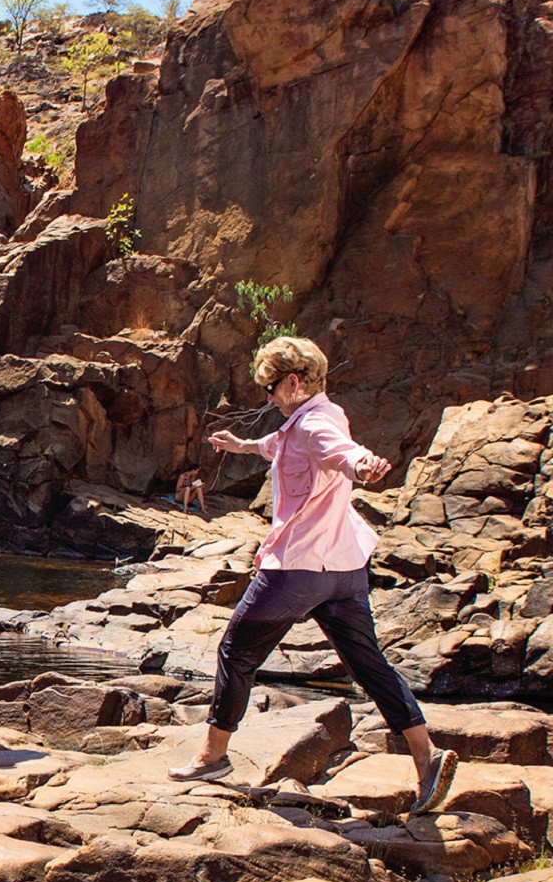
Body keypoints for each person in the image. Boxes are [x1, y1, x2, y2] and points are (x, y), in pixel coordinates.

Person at [168, 336, 457, 815]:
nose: (267, 397)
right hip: (343, 569)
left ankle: (213, 756)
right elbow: (282, 445)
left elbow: (339, 450)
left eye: (269, 388)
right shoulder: (313, 417)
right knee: (368, 664)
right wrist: (241, 445)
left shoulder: (317, 424)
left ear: (294, 381)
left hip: (297, 568)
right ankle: (427, 759)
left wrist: (362, 464)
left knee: (236, 650)